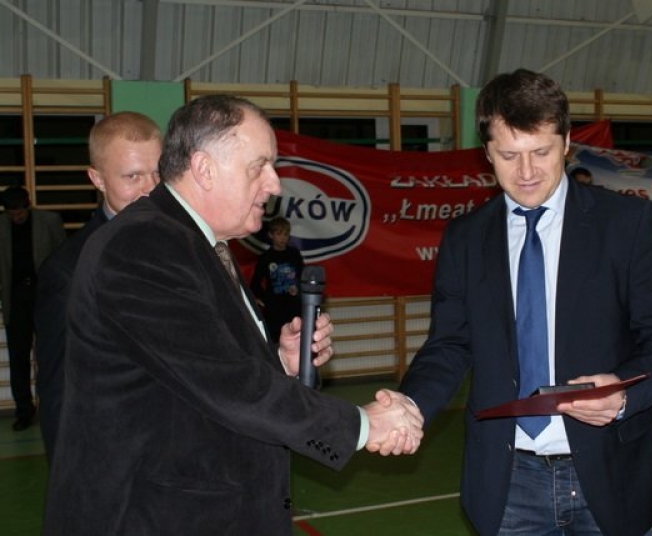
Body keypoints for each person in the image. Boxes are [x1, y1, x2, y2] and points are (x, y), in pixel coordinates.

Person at [43, 95, 422, 536]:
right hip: (153, 517)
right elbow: (227, 384)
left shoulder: (198, 243)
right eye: (259, 167)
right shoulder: (143, 245)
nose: (275, 184)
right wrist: (362, 425)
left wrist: (278, 361)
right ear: (204, 169)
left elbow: (189, 371)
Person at [399, 69, 652, 536]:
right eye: (508, 155)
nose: (527, 172)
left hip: (612, 470)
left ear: (567, 143)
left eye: (541, 152)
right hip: (509, 483)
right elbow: (449, 344)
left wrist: (623, 395)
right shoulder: (465, 238)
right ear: (487, 153)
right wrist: (409, 404)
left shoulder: (626, 223)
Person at [35, 112, 162, 464]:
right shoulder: (68, 271)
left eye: (158, 173)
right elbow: (59, 391)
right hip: (116, 464)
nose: (150, 190)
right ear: (97, 179)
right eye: (132, 176)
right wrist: (71, 483)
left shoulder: (189, 249)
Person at [0, 186, 65, 431]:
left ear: (28, 206)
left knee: (51, 356)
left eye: (20, 212)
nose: (16, 217)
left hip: (45, 297)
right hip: (16, 298)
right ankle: (24, 412)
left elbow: (63, 260)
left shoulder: (49, 221)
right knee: (18, 359)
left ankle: (55, 408)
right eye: (11, 214)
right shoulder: (1, 226)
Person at [250, 216, 304, 341]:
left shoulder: (294, 254)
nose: (283, 238)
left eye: (286, 234)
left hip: (294, 308)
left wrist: (298, 289)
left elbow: (302, 277)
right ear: (271, 235)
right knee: (275, 344)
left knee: (296, 342)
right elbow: (255, 284)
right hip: (274, 312)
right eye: (279, 234)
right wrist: (267, 300)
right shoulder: (266, 257)